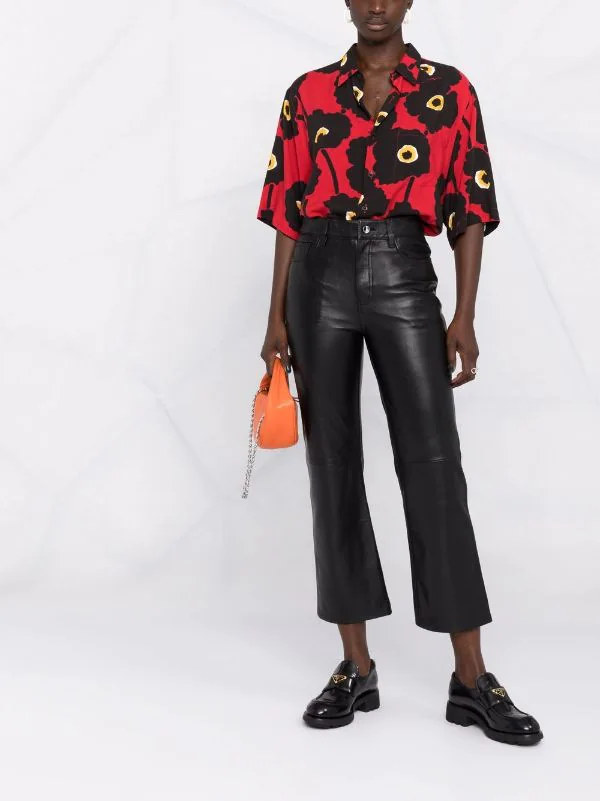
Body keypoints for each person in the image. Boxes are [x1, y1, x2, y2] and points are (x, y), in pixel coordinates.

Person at [256, 0, 542, 746]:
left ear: (410, 0)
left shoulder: (449, 90)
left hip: (403, 270)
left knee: (434, 464)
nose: (376, 4)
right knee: (332, 464)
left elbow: (471, 205)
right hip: (317, 274)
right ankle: (356, 666)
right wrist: (276, 318)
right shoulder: (308, 93)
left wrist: (464, 314)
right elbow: (287, 208)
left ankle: (471, 677)